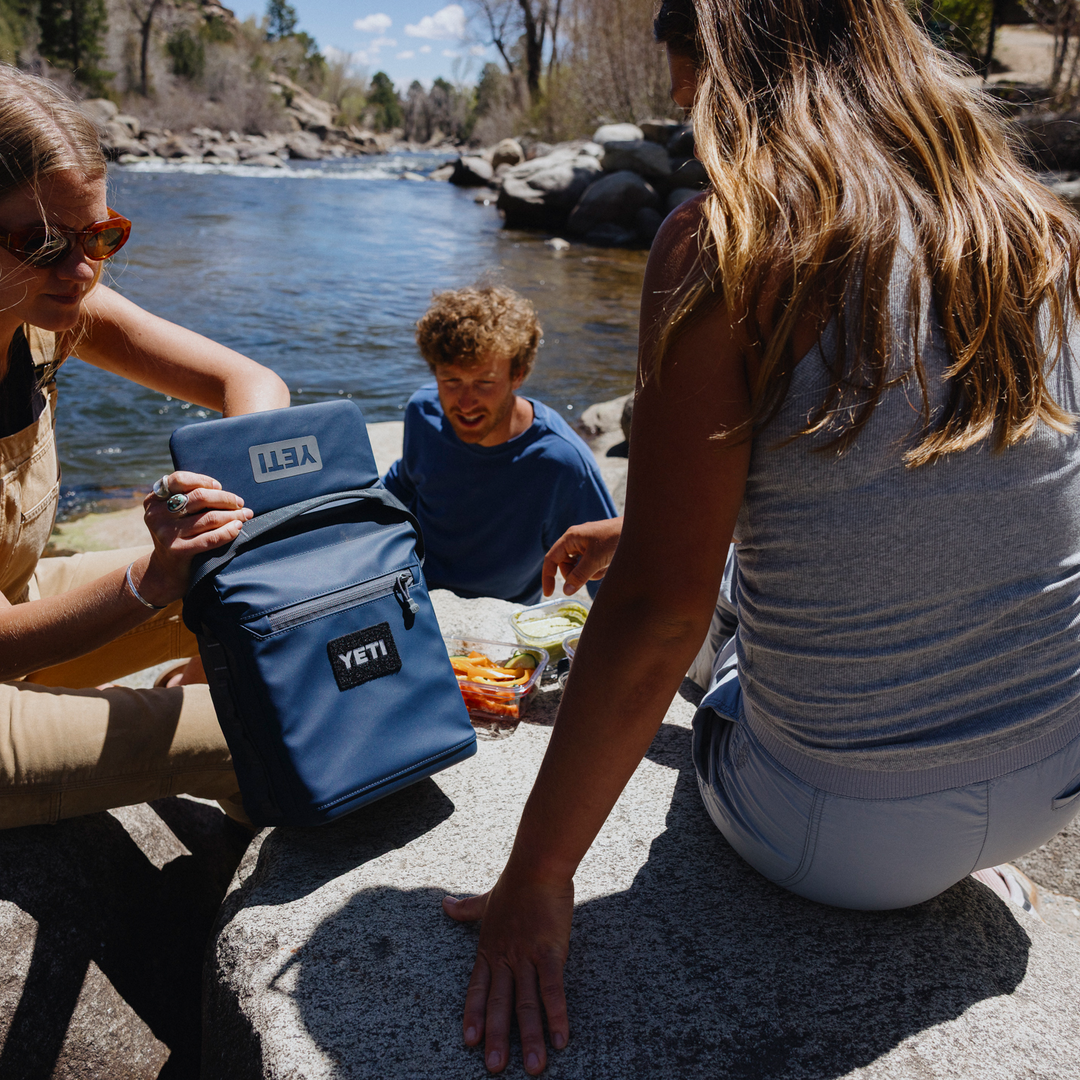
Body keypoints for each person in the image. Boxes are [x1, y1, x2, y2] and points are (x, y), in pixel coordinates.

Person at [440, 0, 1080, 1073]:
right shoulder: (1030, 221)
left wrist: (537, 877)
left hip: (838, 838)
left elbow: (659, 611)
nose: (685, 104)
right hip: (1051, 786)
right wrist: (646, 526)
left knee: (700, 640)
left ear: (734, 61)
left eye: (689, 71)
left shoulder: (729, 244)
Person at [0, 65, 291, 829]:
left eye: (101, 235)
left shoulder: (45, 302)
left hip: (20, 613)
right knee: (273, 727)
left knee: (266, 584)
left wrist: (218, 494)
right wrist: (153, 578)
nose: (83, 269)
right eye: (45, 242)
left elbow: (250, 382)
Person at [382, 284, 616, 604]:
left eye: (485, 382)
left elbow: (612, 575)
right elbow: (403, 483)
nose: (465, 402)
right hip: (415, 596)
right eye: (451, 380)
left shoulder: (562, 462)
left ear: (518, 375)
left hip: (499, 622)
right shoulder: (422, 412)